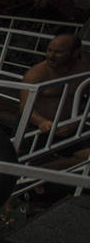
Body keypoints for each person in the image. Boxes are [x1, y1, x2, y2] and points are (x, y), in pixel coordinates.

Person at [20, 33, 90, 162]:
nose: (51, 56)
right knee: (30, 163)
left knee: (86, 157)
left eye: (59, 52)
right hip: (38, 128)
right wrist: (42, 122)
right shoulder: (36, 74)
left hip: (70, 127)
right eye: (49, 50)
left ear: (75, 53)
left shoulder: (84, 70)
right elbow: (25, 106)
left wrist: (76, 121)